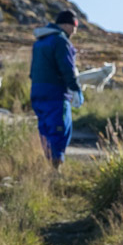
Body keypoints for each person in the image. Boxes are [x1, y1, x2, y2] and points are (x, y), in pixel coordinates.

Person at [30, 10, 84, 170]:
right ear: (67, 24)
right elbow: (67, 68)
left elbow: (32, 71)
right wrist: (75, 89)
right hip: (55, 92)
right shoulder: (61, 41)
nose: (74, 31)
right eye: (74, 26)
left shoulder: (39, 42)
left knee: (45, 129)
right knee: (60, 128)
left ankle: (50, 164)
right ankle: (55, 169)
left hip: (37, 91)